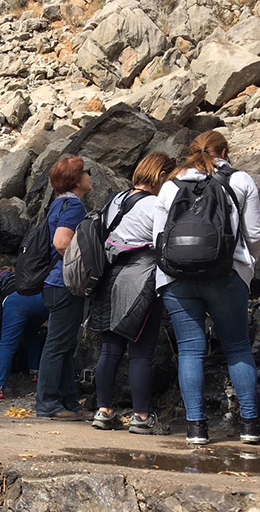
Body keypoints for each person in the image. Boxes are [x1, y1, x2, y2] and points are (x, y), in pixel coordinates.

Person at [152, 131, 260, 444]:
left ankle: (195, 428)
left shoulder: (170, 185)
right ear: (226, 151)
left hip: (177, 278)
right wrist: (246, 264)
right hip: (226, 275)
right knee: (237, 347)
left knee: (190, 350)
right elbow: (255, 234)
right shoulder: (240, 181)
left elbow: (157, 238)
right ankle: (249, 425)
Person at [90, 152, 177, 434]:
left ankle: (104, 411)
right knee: (141, 353)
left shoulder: (116, 199)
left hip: (107, 278)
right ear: (161, 175)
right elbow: (162, 243)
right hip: (140, 279)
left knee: (109, 350)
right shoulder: (155, 205)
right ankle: (140, 417)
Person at [35, 156, 92, 419]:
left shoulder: (57, 204)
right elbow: (61, 242)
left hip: (53, 283)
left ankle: (69, 401)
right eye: (86, 172)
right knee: (58, 345)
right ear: (76, 179)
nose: (90, 175)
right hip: (65, 283)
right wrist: (87, 262)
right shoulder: (74, 206)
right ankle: (47, 403)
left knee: (65, 345)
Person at [0, 269, 47, 399]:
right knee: (32, 333)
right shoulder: (28, 272)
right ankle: (36, 372)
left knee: (7, 344)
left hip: (16, 300)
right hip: (41, 298)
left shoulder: (1, 275)